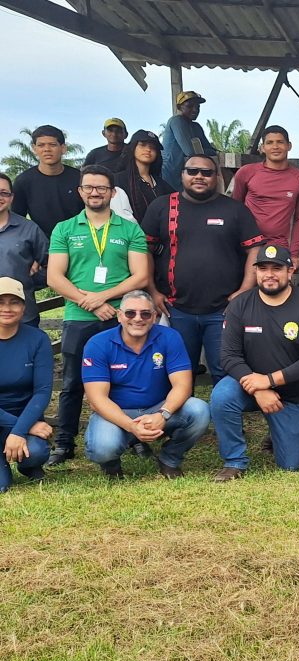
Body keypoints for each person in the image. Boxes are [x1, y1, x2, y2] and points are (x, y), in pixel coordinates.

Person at [45, 164, 149, 467]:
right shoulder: (64, 229)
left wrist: (104, 298)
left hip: (120, 316)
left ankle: (134, 439)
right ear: (80, 191)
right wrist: (90, 302)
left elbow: (140, 275)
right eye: (89, 187)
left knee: (125, 380)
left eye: (101, 187)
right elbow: (55, 277)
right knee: (73, 382)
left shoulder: (129, 229)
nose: (95, 192)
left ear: (112, 193)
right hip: (78, 316)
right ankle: (64, 443)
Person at [209, 244, 299, 481]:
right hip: (250, 387)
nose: (269, 274)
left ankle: (278, 433)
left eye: (277, 268)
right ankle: (234, 461)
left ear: (290, 271)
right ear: (256, 272)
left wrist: (270, 381)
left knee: (293, 467)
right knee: (222, 396)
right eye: (263, 268)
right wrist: (259, 388)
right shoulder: (240, 304)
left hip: (293, 394)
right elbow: (229, 356)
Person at [141, 154, 263, 383]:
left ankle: (223, 418)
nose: (199, 176)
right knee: (177, 373)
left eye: (207, 172)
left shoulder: (235, 210)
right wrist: (153, 291)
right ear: (182, 174)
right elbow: (144, 250)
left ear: (217, 177)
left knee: (225, 372)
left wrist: (245, 290)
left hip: (224, 309)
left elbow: (254, 249)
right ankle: (182, 419)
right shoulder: (162, 206)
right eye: (193, 171)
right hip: (175, 308)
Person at [81, 290, 211, 480]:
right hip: (117, 412)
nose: (138, 319)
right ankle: (111, 464)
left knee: (199, 409)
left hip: (158, 408)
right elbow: (97, 398)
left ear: (154, 317)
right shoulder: (98, 344)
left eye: (145, 314)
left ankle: (170, 458)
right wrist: (131, 426)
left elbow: (182, 385)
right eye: (130, 313)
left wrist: (163, 414)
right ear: (119, 316)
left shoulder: (170, 337)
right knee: (103, 448)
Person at [0, 278, 53, 493]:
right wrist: (24, 428)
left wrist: (20, 429)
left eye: (14, 302)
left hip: (24, 416)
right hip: (20, 423)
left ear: (24, 307)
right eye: (0, 302)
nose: (7, 308)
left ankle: (27, 465)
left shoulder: (38, 339)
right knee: (2, 487)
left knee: (37, 451)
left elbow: (42, 391)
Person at [231, 125, 299, 261]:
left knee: (276, 281)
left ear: (289, 146)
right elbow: (234, 209)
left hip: (278, 245)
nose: (275, 147)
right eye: (269, 143)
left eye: (280, 142)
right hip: (247, 242)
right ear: (262, 148)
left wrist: (295, 254)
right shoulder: (246, 172)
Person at [11, 125, 83, 238]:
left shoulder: (79, 178)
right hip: (39, 244)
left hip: (77, 241)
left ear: (63, 148)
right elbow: (17, 219)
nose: (47, 149)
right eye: (41, 145)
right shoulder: (23, 181)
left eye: (52, 145)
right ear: (34, 149)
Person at [0, 173, 48, 326]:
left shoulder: (29, 229)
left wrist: (31, 281)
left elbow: (52, 265)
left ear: (11, 197)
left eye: (4, 193)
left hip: (23, 316)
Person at [112, 130, 174, 225]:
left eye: (153, 147)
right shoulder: (118, 180)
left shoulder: (163, 184)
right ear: (133, 148)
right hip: (132, 237)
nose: (148, 149)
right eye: (142, 145)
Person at [161, 91, 218, 190]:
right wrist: (205, 151)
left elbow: (210, 150)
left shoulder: (196, 127)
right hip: (170, 174)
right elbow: (190, 151)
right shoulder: (177, 121)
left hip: (188, 174)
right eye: (190, 106)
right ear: (180, 107)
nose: (195, 110)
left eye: (198, 107)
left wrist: (206, 151)